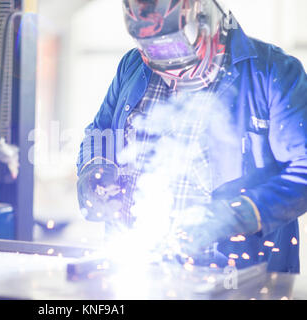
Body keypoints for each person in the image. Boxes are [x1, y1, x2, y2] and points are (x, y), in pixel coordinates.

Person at [76, 0, 307, 273]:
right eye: (151, 48)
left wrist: (238, 214)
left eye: (174, 46)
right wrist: (93, 170)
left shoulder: (273, 72)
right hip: (135, 269)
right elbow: (100, 132)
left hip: (235, 275)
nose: (168, 66)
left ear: (204, 18)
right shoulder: (133, 65)